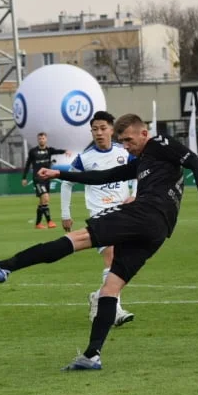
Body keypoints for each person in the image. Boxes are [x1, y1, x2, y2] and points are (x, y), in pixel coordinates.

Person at [0, 114, 198, 371]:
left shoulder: (160, 143)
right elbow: (104, 176)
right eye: (121, 141)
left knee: (76, 239)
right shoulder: (144, 160)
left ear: (144, 133)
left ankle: (5, 266)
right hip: (158, 230)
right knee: (110, 288)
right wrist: (59, 172)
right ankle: (93, 355)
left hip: (144, 214)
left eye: (128, 139)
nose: (125, 145)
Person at [60, 111, 136, 327]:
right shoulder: (85, 158)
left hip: (124, 214)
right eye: (95, 129)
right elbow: (67, 182)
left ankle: (98, 296)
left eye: (103, 128)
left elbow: (139, 174)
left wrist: (135, 195)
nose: (99, 133)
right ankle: (115, 310)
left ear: (112, 130)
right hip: (99, 215)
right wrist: (66, 214)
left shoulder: (124, 153)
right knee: (111, 256)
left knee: (123, 264)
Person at [22, 132, 69, 229]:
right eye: (40, 139)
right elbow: (28, 164)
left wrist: (65, 151)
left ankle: (38, 224)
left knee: (42, 201)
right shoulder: (33, 151)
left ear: (46, 139)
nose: (41, 140)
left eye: (43, 138)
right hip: (38, 178)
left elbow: (57, 151)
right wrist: (24, 177)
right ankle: (49, 221)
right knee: (46, 198)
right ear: (38, 140)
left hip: (47, 178)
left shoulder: (49, 150)